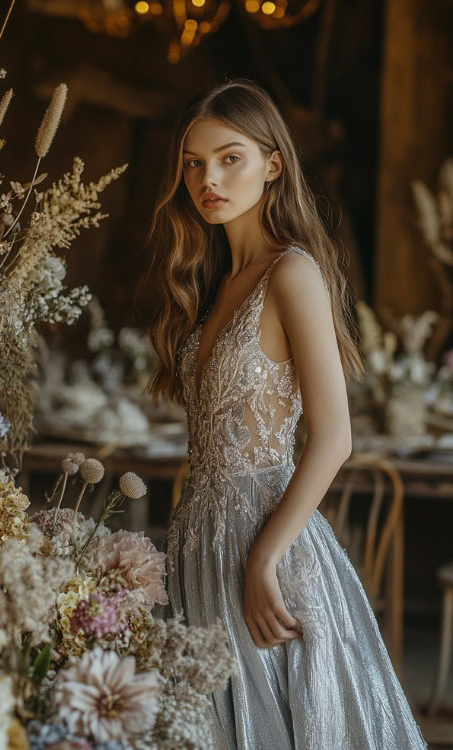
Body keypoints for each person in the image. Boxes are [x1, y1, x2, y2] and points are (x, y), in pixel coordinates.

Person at [141, 78, 427, 749]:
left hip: (266, 540)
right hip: (198, 540)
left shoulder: (291, 273)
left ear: (273, 164)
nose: (207, 177)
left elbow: (334, 438)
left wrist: (264, 556)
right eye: (193, 161)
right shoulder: (213, 286)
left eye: (229, 157)